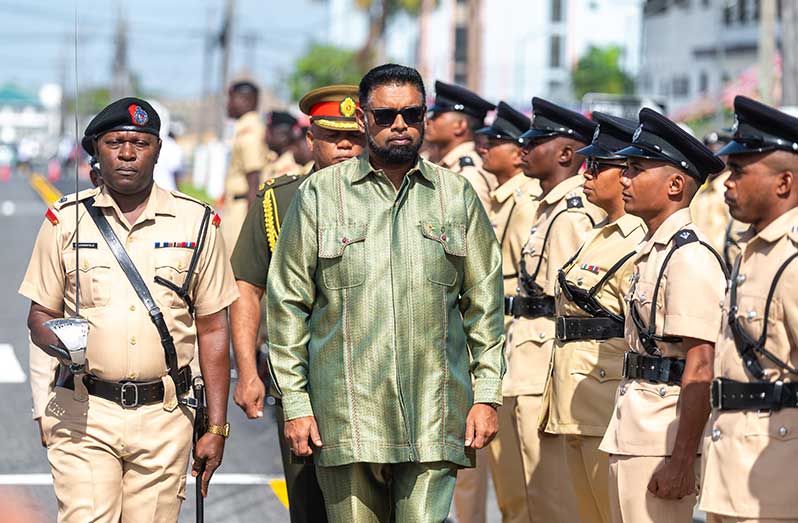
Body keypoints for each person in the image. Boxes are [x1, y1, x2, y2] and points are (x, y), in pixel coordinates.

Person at [266, 64, 505, 522]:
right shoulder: (319, 195)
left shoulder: (455, 196)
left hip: (433, 415)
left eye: (412, 115)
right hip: (346, 416)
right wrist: (296, 404)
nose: (400, 126)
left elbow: (485, 306)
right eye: (386, 115)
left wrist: (487, 395)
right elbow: (287, 306)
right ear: (362, 120)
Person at [19, 97, 238, 522]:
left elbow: (213, 328)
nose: (126, 153)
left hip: (166, 416)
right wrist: (62, 345)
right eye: (115, 142)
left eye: (139, 142)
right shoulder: (65, 221)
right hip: (83, 410)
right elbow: (38, 315)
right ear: (97, 150)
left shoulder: (196, 223)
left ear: (157, 149)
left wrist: (216, 427)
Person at [230, 84, 366, 523]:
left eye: (356, 136)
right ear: (311, 140)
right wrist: (248, 371)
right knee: (310, 505)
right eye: (333, 136)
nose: (346, 146)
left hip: (382, 377)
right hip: (306, 381)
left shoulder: (397, 197)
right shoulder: (280, 200)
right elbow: (246, 286)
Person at [599, 108, 727, 522]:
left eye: (637, 168)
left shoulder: (689, 257)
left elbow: (701, 364)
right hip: (633, 428)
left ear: (675, 184)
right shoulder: (655, 249)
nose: (623, 177)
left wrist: (681, 459)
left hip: (662, 439)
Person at [542, 112, 646, 523]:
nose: (586, 173)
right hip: (575, 399)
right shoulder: (599, 233)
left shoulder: (637, 240)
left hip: (605, 403)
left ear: (625, 175)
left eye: (598, 166)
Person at [699, 96, 798, 523]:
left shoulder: (793, 259)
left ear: (784, 183)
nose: (727, 182)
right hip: (733, 471)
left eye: (739, 171)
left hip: (775, 483)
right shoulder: (753, 250)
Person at [504, 97, 604, 522]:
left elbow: (573, 308)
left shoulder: (571, 215)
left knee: (552, 499)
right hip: (525, 358)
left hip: (544, 362)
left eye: (536, 141)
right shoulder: (550, 208)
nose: (523, 148)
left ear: (566, 153)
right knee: (528, 493)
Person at [469, 100, 540, 523]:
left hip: (520, 334)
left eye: (495, 141)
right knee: (508, 477)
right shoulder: (503, 198)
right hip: (505, 332)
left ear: (516, 152)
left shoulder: (527, 200)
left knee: (525, 479)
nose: (484, 148)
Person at [425, 80, 498, 210]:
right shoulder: (444, 165)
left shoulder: (469, 175)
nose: (429, 121)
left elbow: (478, 228)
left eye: (437, 116)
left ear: (460, 126)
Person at [222, 80, 269, 250]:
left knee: (234, 270)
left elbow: (254, 178)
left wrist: (252, 227)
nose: (228, 104)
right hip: (236, 205)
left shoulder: (249, 131)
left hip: (242, 209)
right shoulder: (244, 128)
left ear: (247, 101)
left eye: (232, 99)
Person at [690, 130, 744, 270]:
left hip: (722, 267)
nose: (711, 160)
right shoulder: (702, 190)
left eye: (717, 155)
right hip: (698, 264)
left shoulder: (728, 190)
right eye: (707, 154)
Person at [263, 111, 305, 181]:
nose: (266, 135)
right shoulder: (272, 158)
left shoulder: (288, 163)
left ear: (284, 135)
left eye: (270, 131)